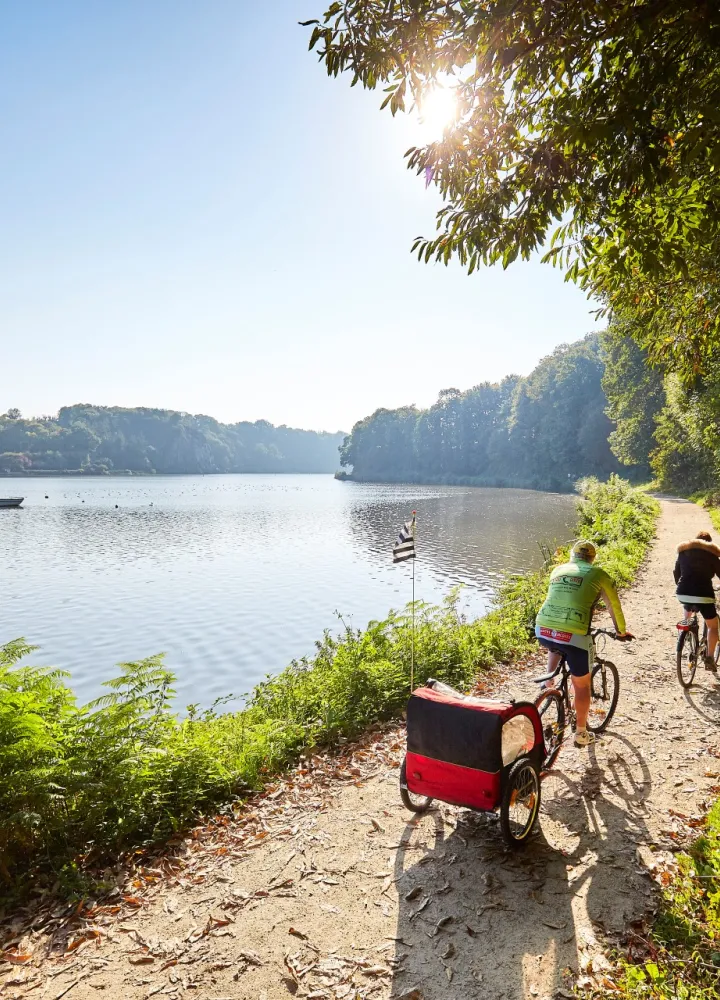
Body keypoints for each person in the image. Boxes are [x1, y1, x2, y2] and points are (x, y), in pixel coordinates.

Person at [535, 540, 633, 747]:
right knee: (581, 686)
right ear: (592, 558)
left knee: (556, 643)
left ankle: (548, 683)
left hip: (542, 628)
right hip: (575, 634)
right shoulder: (599, 574)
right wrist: (621, 632)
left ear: (572, 556)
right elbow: (613, 605)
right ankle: (581, 733)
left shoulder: (558, 570)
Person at [674, 530, 720, 671]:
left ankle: (687, 627)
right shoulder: (712, 554)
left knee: (688, 602)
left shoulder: (683, 552)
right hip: (704, 594)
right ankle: (710, 658)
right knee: (713, 626)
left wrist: (681, 587)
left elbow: (676, 572)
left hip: (683, 593)